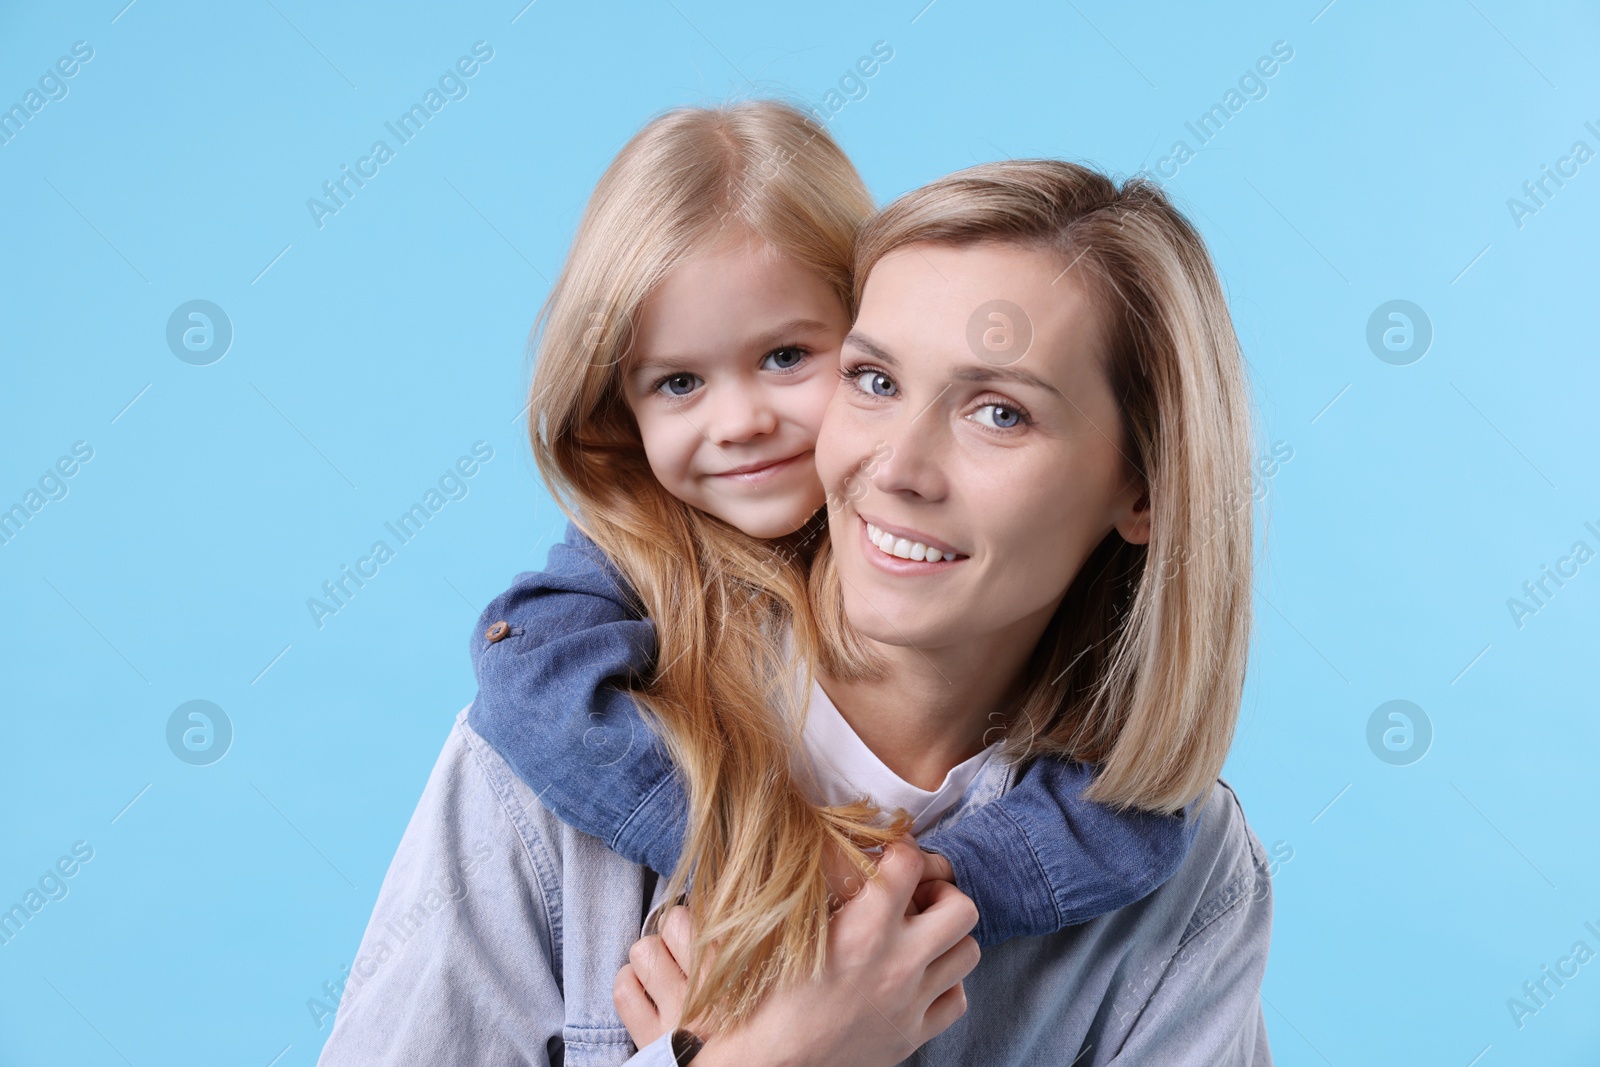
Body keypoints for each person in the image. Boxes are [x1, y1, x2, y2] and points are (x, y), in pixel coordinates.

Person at [315, 127, 1271, 1066]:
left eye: (998, 411)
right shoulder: (554, 754)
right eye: (875, 378)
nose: (896, 467)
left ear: (1145, 486)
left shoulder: (1190, 876)